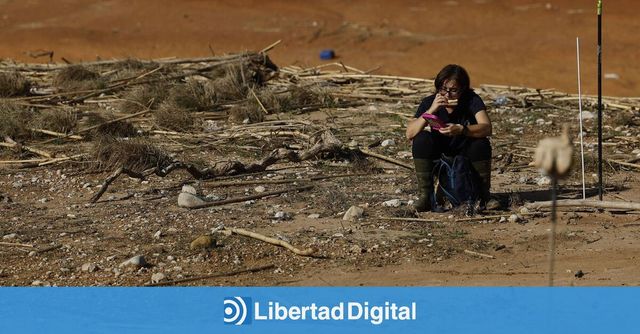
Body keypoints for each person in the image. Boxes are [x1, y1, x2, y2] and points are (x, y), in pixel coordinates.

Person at [405, 64, 493, 212]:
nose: (447, 95)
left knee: (481, 143)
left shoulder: (472, 100)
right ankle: (425, 196)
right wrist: (431, 110)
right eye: (443, 89)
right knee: (421, 139)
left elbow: (487, 127)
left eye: (453, 90)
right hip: (439, 152)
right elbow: (410, 133)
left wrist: (462, 130)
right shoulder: (430, 102)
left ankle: (484, 197)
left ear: (463, 89)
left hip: (465, 152)